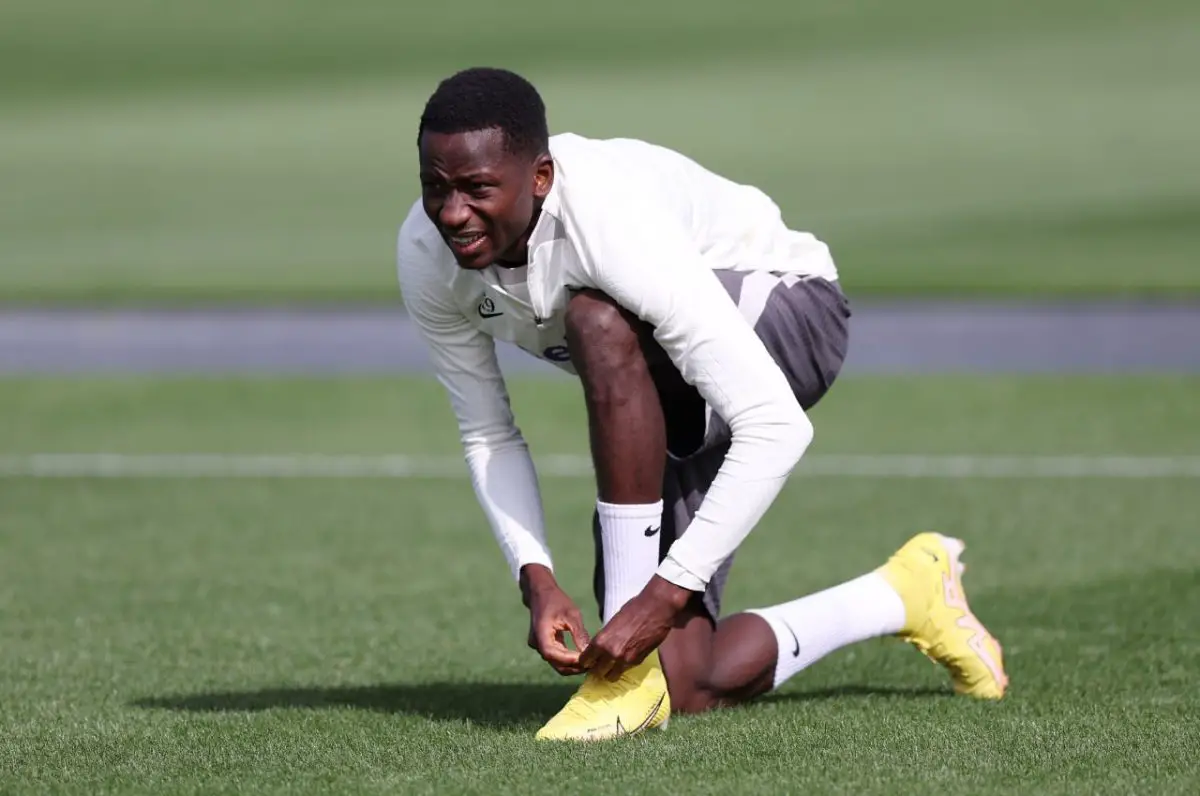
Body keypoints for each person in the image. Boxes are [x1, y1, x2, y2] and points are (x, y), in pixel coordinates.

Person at [396, 67, 1008, 742]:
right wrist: (535, 578)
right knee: (686, 682)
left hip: (792, 309)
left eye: (478, 189)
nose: (452, 212)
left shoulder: (604, 215)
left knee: (598, 320)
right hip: (666, 390)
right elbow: (488, 434)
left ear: (540, 177)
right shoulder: (427, 255)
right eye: (435, 186)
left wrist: (659, 597)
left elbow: (775, 425)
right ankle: (906, 591)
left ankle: (621, 685)